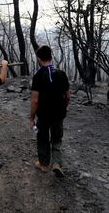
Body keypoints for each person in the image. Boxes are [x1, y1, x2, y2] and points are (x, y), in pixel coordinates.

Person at [30, 45, 70, 178]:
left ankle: (44, 164)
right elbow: (68, 96)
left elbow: (35, 100)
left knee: (42, 138)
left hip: (43, 115)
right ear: (51, 57)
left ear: (39, 58)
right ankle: (57, 163)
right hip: (59, 114)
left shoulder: (38, 75)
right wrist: (63, 108)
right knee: (57, 138)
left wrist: (31, 117)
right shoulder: (61, 74)